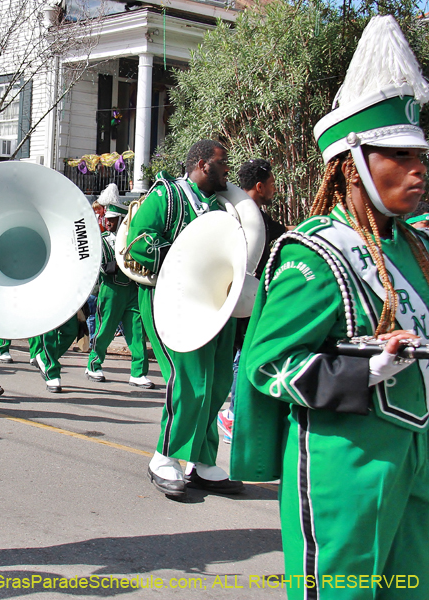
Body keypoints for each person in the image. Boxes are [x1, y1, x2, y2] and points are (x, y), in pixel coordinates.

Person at [232, 16, 429, 597]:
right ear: (352, 163)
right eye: (398, 155)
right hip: (345, 463)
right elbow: (266, 365)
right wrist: (365, 370)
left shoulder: (417, 247)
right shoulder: (316, 254)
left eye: (421, 155)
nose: (418, 169)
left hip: (417, 456)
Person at [128, 139, 244, 500]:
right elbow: (138, 243)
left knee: (218, 380)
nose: (228, 169)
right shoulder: (166, 197)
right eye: (222, 162)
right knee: (190, 381)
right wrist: (185, 257)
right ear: (201, 163)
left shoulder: (222, 205)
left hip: (212, 303)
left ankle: (201, 460)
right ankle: (164, 456)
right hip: (170, 302)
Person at [217, 158, 288, 443]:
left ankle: (234, 412)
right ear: (259, 186)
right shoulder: (235, 215)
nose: (274, 189)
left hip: (249, 298)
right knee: (239, 356)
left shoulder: (262, 219)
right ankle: (231, 415)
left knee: (240, 356)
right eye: (271, 184)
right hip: (236, 298)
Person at [85, 183, 153, 389]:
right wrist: (111, 266)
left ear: (122, 220)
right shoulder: (102, 240)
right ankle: (94, 365)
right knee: (105, 330)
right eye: (108, 220)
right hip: (111, 290)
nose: (108, 224)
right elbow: (99, 265)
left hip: (132, 290)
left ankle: (138, 372)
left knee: (136, 331)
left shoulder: (134, 239)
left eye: (113, 221)